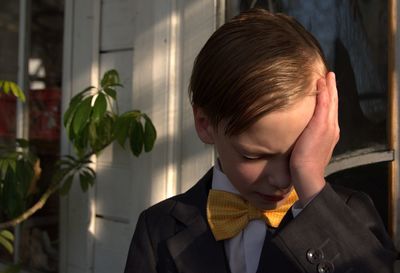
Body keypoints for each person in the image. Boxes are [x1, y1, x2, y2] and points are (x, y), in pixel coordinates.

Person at [124, 8, 397, 273]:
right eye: (254, 156)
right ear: (205, 124)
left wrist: (311, 184)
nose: (280, 178)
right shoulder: (158, 229)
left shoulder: (350, 215)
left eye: (298, 153)